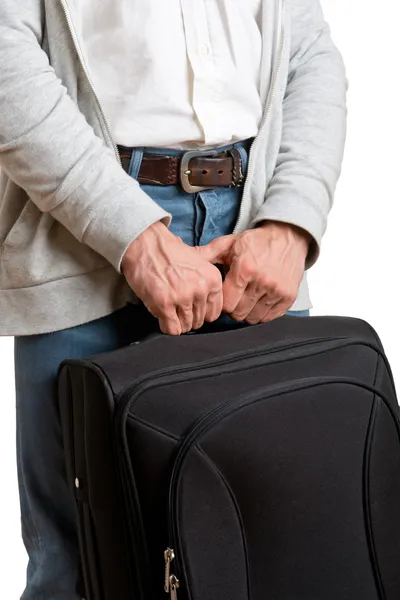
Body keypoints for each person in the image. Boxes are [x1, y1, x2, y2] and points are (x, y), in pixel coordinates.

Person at [0, 0, 347, 597]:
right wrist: (132, 233)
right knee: (81, 570)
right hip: (77, 233)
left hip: (257, 237)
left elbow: (309, 52)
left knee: (283, 550)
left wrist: (292, 221)